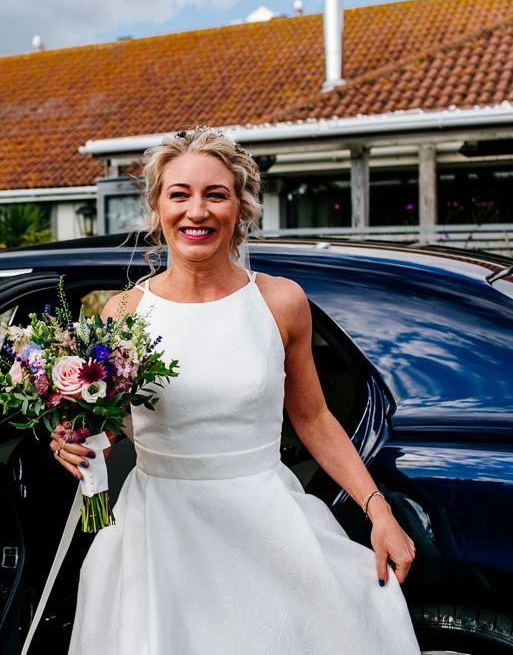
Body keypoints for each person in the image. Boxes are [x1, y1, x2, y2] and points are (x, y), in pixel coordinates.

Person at [50, 128, 421, 654]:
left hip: (264, 526)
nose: (195, 211)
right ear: (157, 208)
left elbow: (314, 419)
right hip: (159, 537)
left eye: (215, 194)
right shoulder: (124, 312)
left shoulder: (280, 302)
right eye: (179, 194)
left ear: (240, 209)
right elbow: (112, 424)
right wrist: (76, 437)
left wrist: (379, 512)